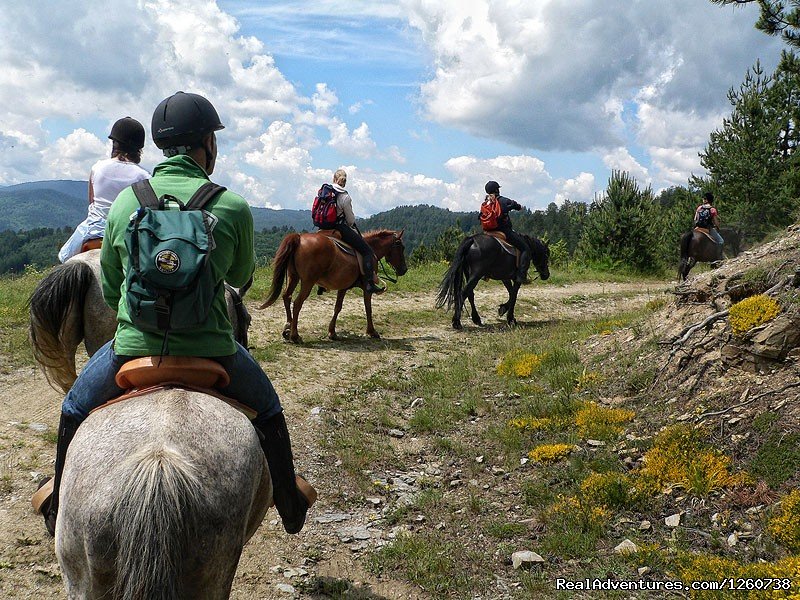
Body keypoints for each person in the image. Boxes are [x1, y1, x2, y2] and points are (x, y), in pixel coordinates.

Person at [34, 92, 315, 537]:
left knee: (72, 408)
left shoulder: (127, 204)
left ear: (164, 145)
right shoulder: (234, 206)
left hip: (130, 351)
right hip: (214, 351)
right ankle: (289, 504)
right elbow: (240, 277)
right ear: (207, 142)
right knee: (269, 408)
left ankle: (56, 507)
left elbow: (110, 286)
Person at [58, 117, 151, 263]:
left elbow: (92, 202)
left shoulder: (97, 167)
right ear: (138, 149)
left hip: (93, 230)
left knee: (63, 257)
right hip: (125, 233)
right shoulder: (144, 176)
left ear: (115, 143)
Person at [324, 168, 385, 295]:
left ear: (334, 179)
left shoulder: (325, 191)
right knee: (367, 251)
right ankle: (369, 284)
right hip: (339, 228)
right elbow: (351, 220)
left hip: (324, 228)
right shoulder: (345, 197)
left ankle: (322, 284)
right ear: (344, 182)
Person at [484, 180, 531, 284]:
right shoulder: (502, 200)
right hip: (503, 231)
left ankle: (485, 273)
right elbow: (514, 205)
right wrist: (520, 207)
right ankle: (521, 275)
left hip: (488, 232)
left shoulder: (486, 202)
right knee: (525, 248)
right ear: (497, 190)